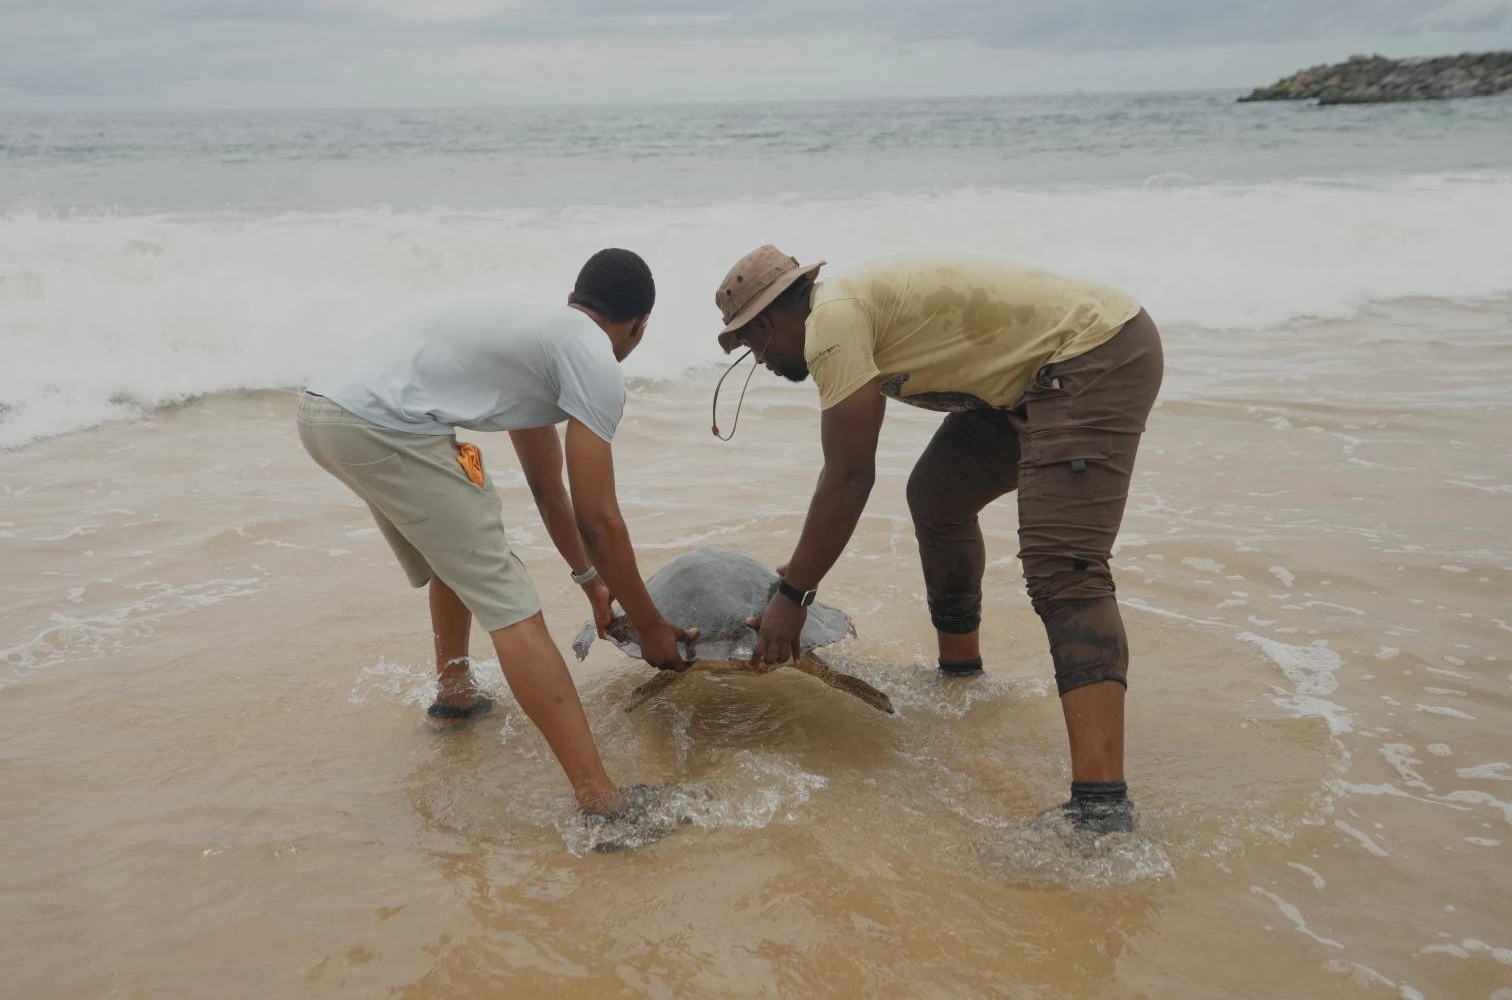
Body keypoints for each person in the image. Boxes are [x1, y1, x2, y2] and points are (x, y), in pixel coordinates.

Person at [711, 246, 1163, 832]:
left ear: (768, 322)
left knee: (1063, 568)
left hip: (1093, 356)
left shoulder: (832, 323)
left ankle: (1101, 808)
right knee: (938, 498)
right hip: (1026, 382)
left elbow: (848, 476)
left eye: (752, 346)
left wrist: (791, 595)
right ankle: (961, 675)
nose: (761, 361)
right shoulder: (845, 314)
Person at [298, 248, 697, 817]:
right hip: (379, 422)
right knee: (511, 601)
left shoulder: (539, 341)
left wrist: (591, 583)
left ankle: (455, 696)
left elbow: (547, 488)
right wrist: (653, 626)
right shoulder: (595, 359)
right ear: (640, 326)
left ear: (575, 301)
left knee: (455, 551)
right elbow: (599, 518)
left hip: (323, 411)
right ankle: (603, 804)